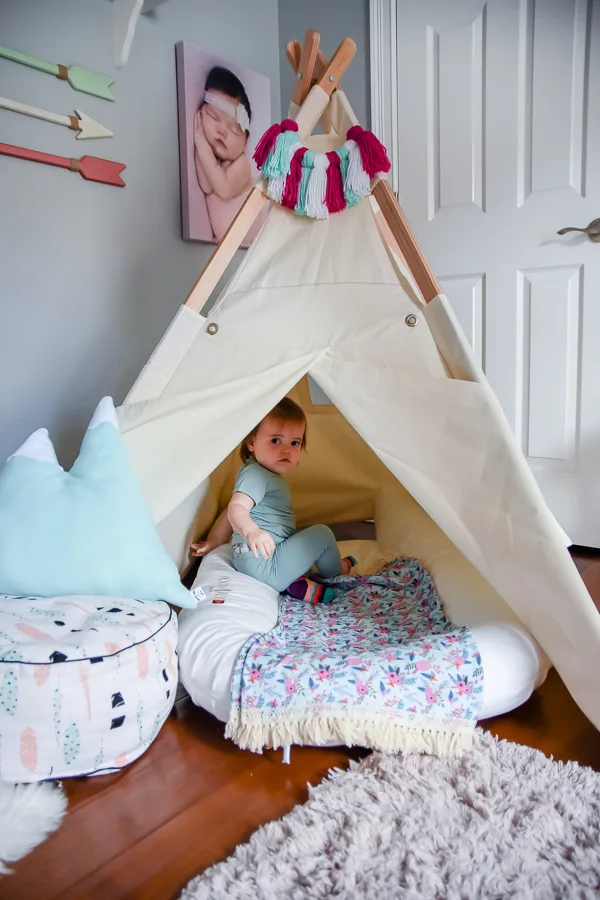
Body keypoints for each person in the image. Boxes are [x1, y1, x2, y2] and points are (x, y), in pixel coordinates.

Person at [191, 398, 355, 604]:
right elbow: (236, 508)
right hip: (264, 563)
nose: (286, 450)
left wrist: (215, 541)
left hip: (255, 561)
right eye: (276, 440)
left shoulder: (259, 474)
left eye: (295, 443)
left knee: (298, 543)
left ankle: (297, 586)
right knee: (322, 533)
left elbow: (228, 511)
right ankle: (335, 571)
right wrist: (251, 531)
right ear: (251, 443)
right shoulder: (256, 475)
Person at [193, 66, 259, 243]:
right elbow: (207, 186)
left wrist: (201, 142)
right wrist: (201, 141)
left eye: (233, 129)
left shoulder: (242, 164)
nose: (222, 131)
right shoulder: (214, 164)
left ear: (245, 142)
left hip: (254, 239)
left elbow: (223, 189)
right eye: (214, 117)